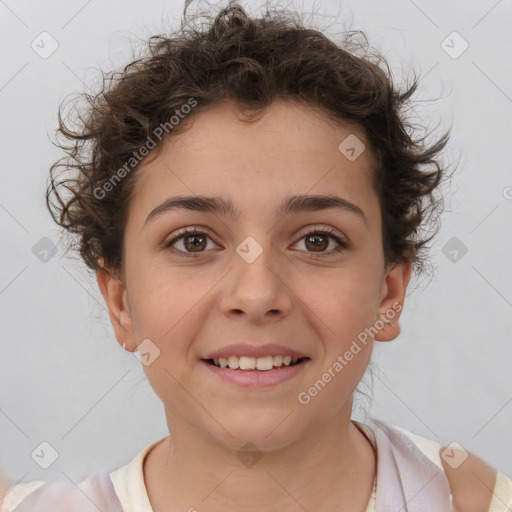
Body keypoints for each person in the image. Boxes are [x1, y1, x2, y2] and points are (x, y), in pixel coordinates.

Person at [1, 2, 511, 511]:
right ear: (120, 303)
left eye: (317, 240)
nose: (257, 294)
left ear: (389, 292)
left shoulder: (472, 498)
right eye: (193, 241)